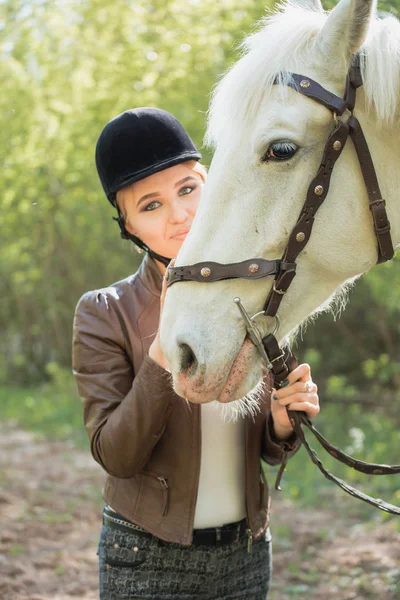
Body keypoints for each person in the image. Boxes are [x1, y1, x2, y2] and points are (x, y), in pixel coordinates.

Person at [72, 107, 320, 600]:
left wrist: (282, 421)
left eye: (187, 189)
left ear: (211, 180)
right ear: (126, 226)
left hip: (246, 553)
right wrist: (162, 353)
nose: (180, 214)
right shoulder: (104, 312)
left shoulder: (255, 291)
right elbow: (116, 456)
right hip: (145, 556)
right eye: (151, 205)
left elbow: (268, 452)